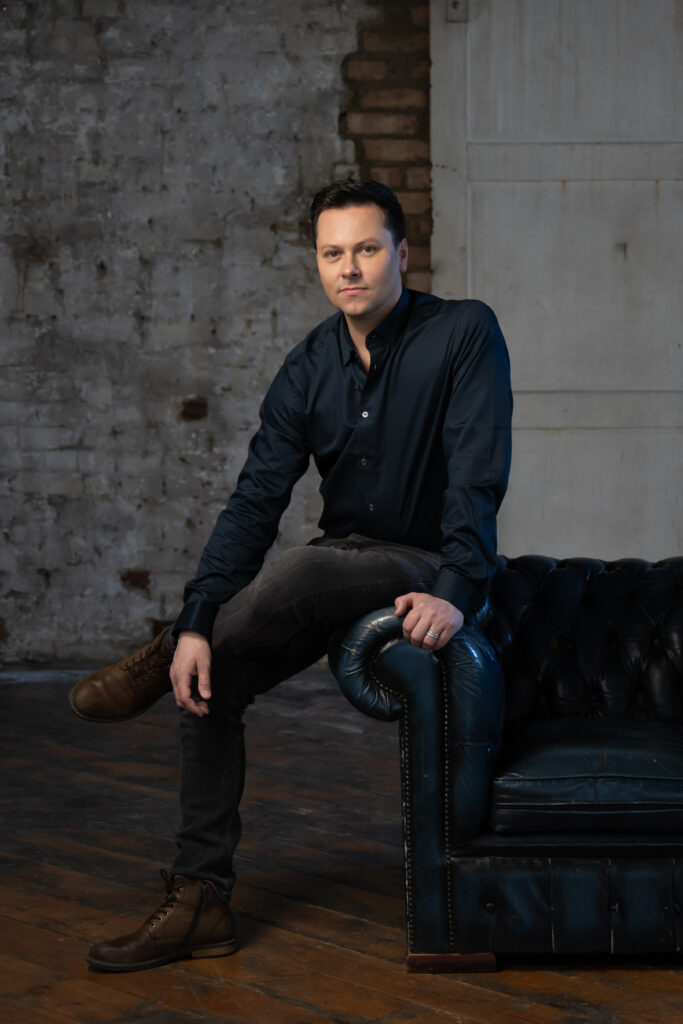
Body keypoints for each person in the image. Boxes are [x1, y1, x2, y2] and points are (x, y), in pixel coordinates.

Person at [70, 179, 513, 972]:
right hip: (339, 566)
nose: (350, 268)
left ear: (401, 254)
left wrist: (455, 592)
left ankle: (162, 647)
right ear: (317, 261)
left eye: (367, 249)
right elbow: (254, 503)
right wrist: (205, 619)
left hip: (420, 559)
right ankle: (201, 898)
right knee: (212, 679)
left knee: (306, 566)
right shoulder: (307, 365)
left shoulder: (463, 333)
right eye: (332, 253)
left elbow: (478, 477)